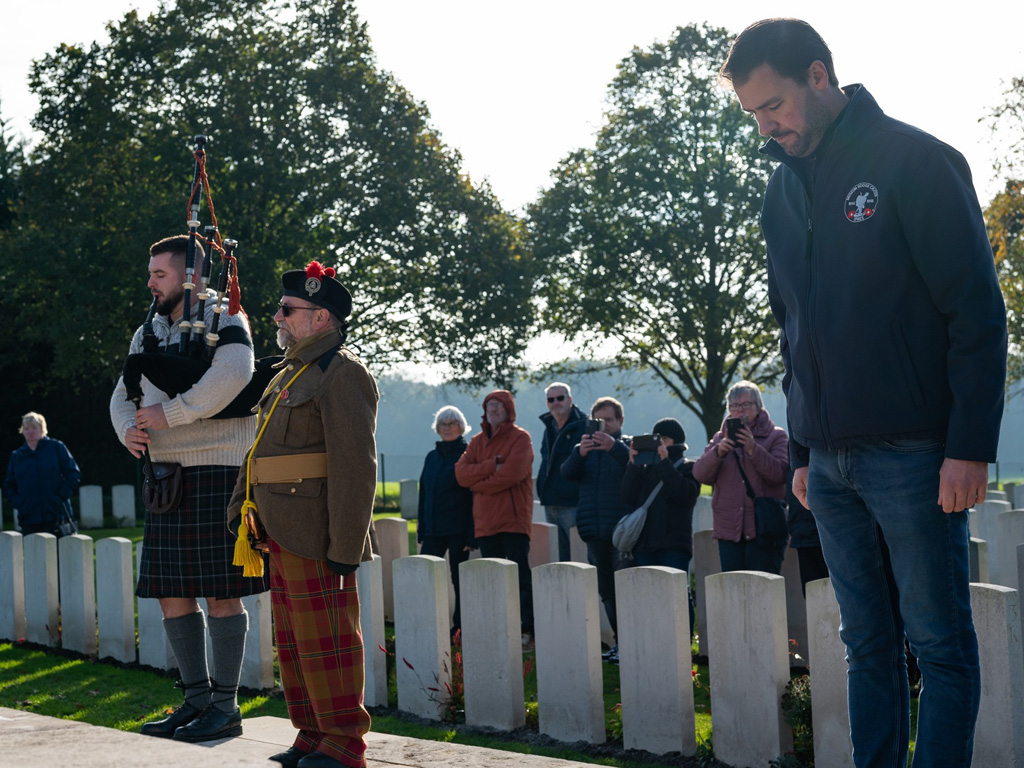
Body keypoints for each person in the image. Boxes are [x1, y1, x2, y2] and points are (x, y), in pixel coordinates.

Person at [720, 18, 1007, 767]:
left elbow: (976, 313)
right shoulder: (779, 195)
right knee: (864, 645)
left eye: (773, 104)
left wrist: (969, 446)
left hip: (918, 453)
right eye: (752, 112)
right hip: (830, 466)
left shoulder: (916, 161)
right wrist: (806, 448)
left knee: (939, 645)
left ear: (819, 76)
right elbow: (795, 333)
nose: (765, 125)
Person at [110, 235, 269, 743]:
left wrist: (170, 414)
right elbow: (123, 392)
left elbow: (234, 374)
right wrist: (127, 429)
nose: (151, 282)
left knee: (222, 594)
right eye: (151, 273)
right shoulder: (147, 331)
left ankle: (226, 707)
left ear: (190, 277)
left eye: (160, 274)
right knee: (171, 593)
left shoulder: (227, 319)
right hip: (168, 475)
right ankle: (195, 701)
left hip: (220, 471)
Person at [228, 260, 377, 768]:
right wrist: (239, 507)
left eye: (288, 309)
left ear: (322, 318)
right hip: (278, 526)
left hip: (319, 531)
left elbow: (356, 466)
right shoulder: (291, 371)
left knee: (330, 642)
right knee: (295, 644)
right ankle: (311, 734)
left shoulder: (343, 373)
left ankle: (343, 743)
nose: (278, 316)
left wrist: (346, 547)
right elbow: (260, 450)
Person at [455, 390, 535, 648]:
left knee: (519, 577)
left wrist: (479, 485)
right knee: (492, 578)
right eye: (489, 405)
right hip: (485, 522)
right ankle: (499, 626)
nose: (493, 410)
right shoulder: (477, 442)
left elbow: (512, 474)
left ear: (509, 409)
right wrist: (491, 465)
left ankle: (526, 630)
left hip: (513, 520)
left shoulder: (520, 439)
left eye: (499, 406)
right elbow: (461, 475)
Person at [692, 381, 789, 575]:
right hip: (729, 531)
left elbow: (779, 474)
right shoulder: (720, 438)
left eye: (746, 405)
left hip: (764, 530)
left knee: (763, 592)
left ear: (759, 407)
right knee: (732, 593)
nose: (740, 411)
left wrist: (754, 449)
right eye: (734, 406)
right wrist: (718, 453)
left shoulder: (776, 436)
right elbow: (700, 474)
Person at [560, 396, 631, 661]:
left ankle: (629, 642)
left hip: (621, 532)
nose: (604, 425)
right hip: (593, 530)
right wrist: (579, 453)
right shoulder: (584, 450)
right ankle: (619, 642)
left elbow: (637, 469)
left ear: (620, 421)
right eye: (598, 420)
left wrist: (614, 447)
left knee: (624, 591)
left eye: (609, 420)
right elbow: (566, 474)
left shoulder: (627, 446)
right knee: (607, 593)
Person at [620, 418, 700, 632]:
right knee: (650, 599)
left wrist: (664, 463)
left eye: (665, 438)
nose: (660, 443)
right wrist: (633, 465)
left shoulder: (688, 467)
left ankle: (683, 641)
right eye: (658, 438)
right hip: (646, 544)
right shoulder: (645, 468)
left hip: (674, 545)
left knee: (678, 597)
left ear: (676, 441)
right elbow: (628, 496)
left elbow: (684, 494)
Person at [417, 405, 475, 638]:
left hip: (459, 529)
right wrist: (422, 530)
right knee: (424, 575)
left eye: (453, 423)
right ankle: (426, 622)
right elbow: (424, 495)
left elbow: (474, 495)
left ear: (461, 427)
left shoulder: (468, 454)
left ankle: (459, 629)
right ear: (437, 429)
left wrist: (472, 535)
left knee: (458, 579)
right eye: (443, 424)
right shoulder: (431, 457)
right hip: (433, 529)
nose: (448, 428)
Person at [5, 412, 81, 537]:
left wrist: (60, 497)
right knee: (33, 555)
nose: (30, 431)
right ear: (22, 431)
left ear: (42, 429)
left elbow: (73, 474)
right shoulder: (17, 456)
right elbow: (9, 484)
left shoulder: (56, 448)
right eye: (27, 428)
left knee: (59, 555)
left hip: (56, 515)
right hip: (29, 517)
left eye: (34, 428)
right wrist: (20, 504)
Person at [536, 382, 586, 561]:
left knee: (579, 556)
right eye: (551, 399)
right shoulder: (548, 428)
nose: (555, 402)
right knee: (560, 557)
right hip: (551, 501)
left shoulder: (583, 426)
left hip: (574, 502)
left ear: (570, 400)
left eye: (560, 398)